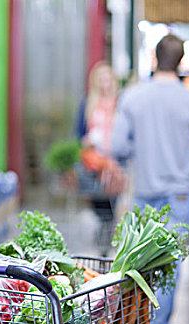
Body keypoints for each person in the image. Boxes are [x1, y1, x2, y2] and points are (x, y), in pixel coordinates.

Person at [111, 34, 189, 324]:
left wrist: (138, 153)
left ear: (154, 58)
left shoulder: (133, 97)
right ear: (180, 62)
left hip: (144, 188)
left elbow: (117, 146)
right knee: (170, 258)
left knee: (138, 258)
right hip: (180, 190)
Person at [76, 61, 124, 255]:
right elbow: (78, 134)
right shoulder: (87, 103)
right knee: (100, 204)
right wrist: (87, 141)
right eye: (101, 79)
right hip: (94, 164)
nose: (105, 83)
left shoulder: (121, 103)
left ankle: (106, 240)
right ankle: (104, 238)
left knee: (113, 205)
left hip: (115, 164)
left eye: (108, 79)